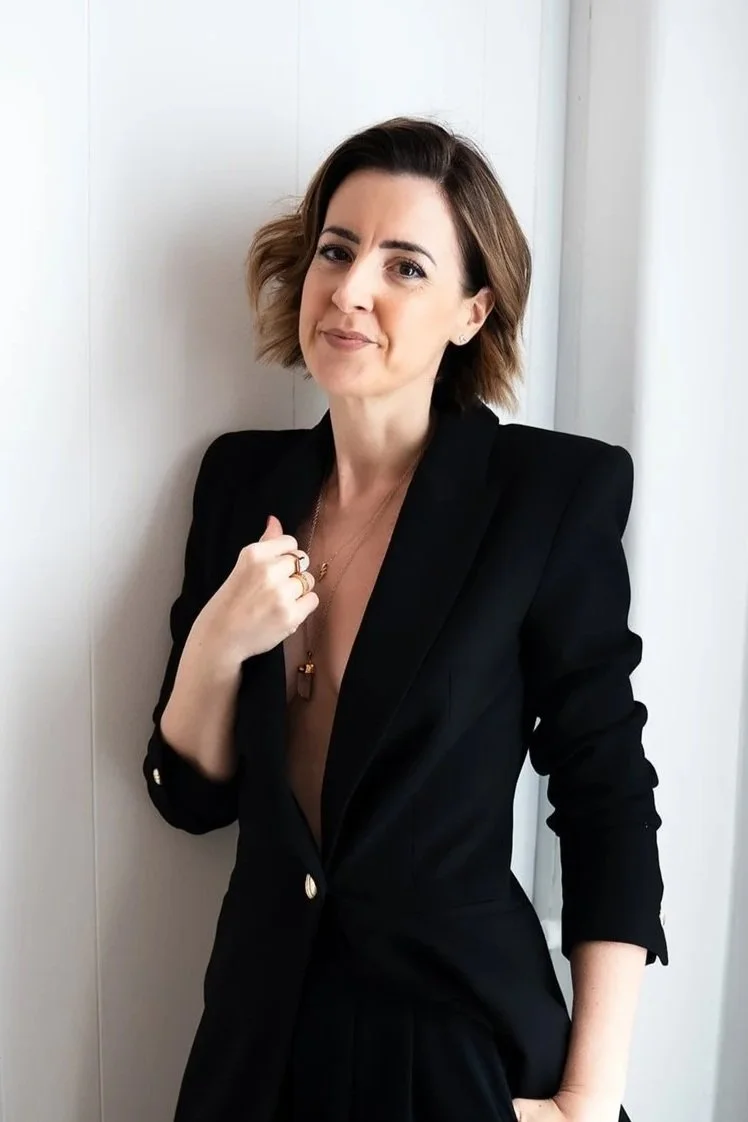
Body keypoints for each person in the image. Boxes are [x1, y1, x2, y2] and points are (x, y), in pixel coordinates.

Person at [143, 117, 667, 1122]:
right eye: (335, 251)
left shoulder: (545, 497)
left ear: (473, 311)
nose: (349, 289)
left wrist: (589, 1099)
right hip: (255, 1047)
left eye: (404, 266)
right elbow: (191, 800)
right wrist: (216, 642)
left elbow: (604, 789)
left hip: (451, 1049)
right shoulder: (241, 483)